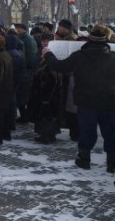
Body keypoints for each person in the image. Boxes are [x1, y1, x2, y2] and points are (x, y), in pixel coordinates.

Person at [43, 25, 115, 173]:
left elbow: (60, 66)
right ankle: (112, 163)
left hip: (85, 101)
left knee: (86, 131)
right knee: (111, 132)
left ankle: (84, 159)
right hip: (109, 101)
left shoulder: (79, 56)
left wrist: (48, 54)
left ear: (89, 38)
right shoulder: (112, 57)